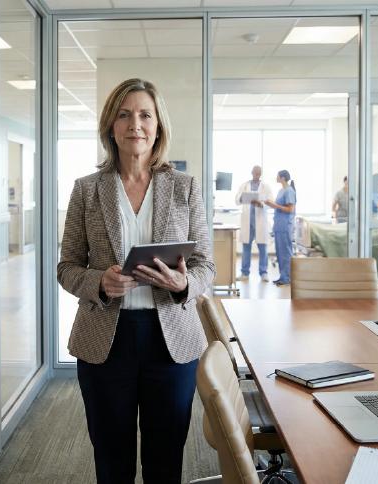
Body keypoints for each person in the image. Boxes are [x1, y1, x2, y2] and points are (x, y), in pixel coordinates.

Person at [57, 78, 215, 483]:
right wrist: (98, 282)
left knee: (165, 460)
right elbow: (67, 268)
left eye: (145, 115)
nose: (135, 124)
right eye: (124, 115)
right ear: (111, 126)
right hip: (105, 341)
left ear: (158, 125)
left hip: (171, 341)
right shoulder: (86, 191)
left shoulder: (185, 188)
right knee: (112, 458)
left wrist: (183, 285)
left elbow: (205, 268)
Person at [234, 165, 273, 283]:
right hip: (248, 222)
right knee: (246, 247)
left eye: (259, 174)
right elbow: (237, 200)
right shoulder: (244, 185)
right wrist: (243, 198)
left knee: (262, 248)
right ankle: (245, 272)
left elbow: (270, 201)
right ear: (252, 173)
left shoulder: (265, 187)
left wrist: (261, 205)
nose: (257, 175)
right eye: (256, 173)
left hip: (260, 221)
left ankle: (263, 273)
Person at [265, 170, 296, 286]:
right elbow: (279, 207)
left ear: (282, 177)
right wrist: (271, 204)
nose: (276, 177)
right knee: (280, 253)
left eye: (277, 176)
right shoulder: (280, 191)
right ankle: (283, 276)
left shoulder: (289, 191)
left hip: (285, 225)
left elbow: (290, 209)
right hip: (279, 225)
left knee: (285, 253)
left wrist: (274, 205)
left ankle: (287, 278)